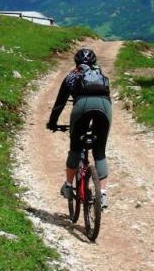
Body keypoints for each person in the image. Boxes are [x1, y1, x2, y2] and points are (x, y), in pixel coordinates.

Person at [46, 47, 112, 208]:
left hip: (81, 107)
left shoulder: (71, 76)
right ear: (94, 62)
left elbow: (60, 104)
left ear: (76, 62)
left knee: (75, 149)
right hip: (104, 107)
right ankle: (102, 194)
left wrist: (52, 123)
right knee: (100, 152)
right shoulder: (101, 75)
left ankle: (69, 186)